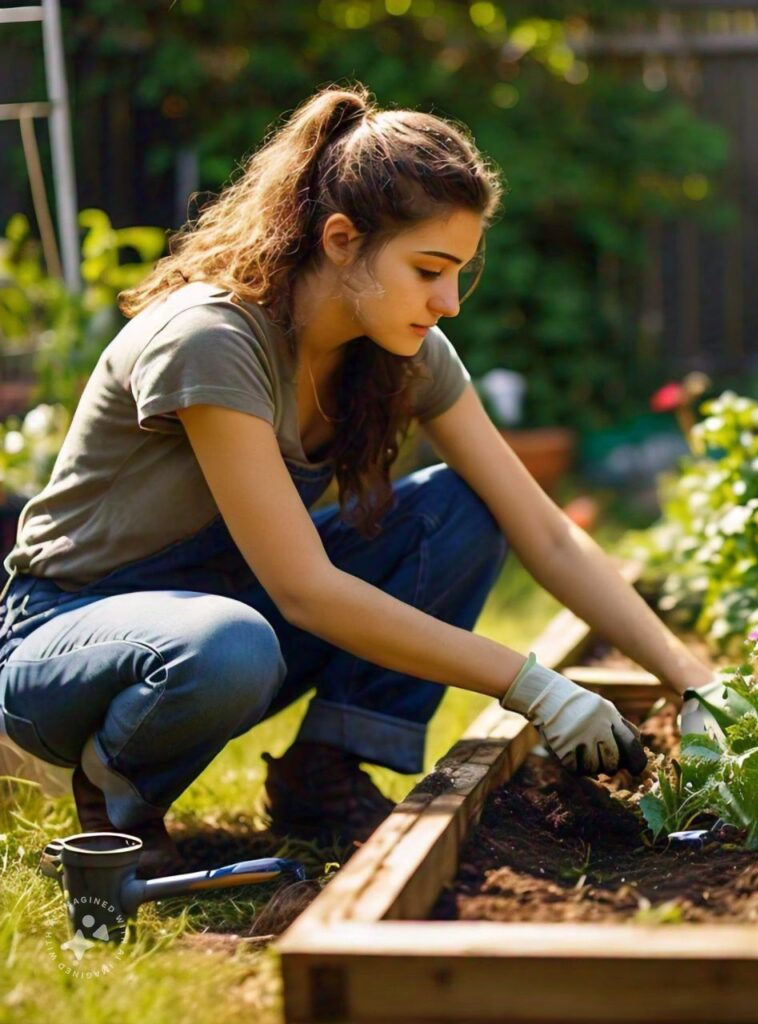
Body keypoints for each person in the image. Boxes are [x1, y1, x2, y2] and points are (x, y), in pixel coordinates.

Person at [0, 85, 714, 878]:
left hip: (232, 621)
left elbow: (540, 527)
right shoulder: (210, 337)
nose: (447, 303)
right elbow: (303, 589)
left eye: (458, 275)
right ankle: (118, 806)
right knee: (229, 644)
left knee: (462, 509)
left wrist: (691, 682)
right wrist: (528, 683)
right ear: (341, 239)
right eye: (428, 270)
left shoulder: (399, 352)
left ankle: (326, 772)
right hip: (68, 640)